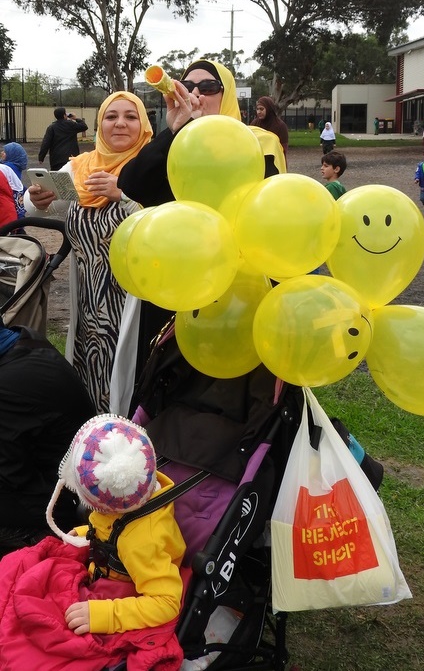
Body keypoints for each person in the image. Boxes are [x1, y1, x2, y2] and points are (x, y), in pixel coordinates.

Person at [113, 59, 283, 417]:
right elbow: (132, 184)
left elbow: (273, 217)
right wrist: (173, 130)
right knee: (161, 391)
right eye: (189, 85)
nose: (196, 93)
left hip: (235, 288)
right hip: (173, 284)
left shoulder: (259, 143)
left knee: (226, 395)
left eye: (208, 87)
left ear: (227, 95)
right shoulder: (178, 142)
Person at [0, 415, 185, 668]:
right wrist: (86, 531)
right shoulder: (135, 488)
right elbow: (110, 526)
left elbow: (167, 603)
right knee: (16, 572)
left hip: (120, 591)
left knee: (29, 634)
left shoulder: (142, 543)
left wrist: (106, 615)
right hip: (107, 563)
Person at [24, 92, 153, 414]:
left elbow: (165, 227)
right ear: (98, 125)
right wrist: (37, 198)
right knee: (91, 376)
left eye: (130, 116)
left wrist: (122, 195)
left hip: (136, 306)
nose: (120, 123)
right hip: (89, 306)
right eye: (111, 117)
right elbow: (43, 204)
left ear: (144, 124)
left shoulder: (152, 166)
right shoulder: (81, 167)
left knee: (132, 384)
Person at [0, 322, 95, 555]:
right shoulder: (22, 340)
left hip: (60, 513)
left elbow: (11, 476)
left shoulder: (9, 387)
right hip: (67, 486)